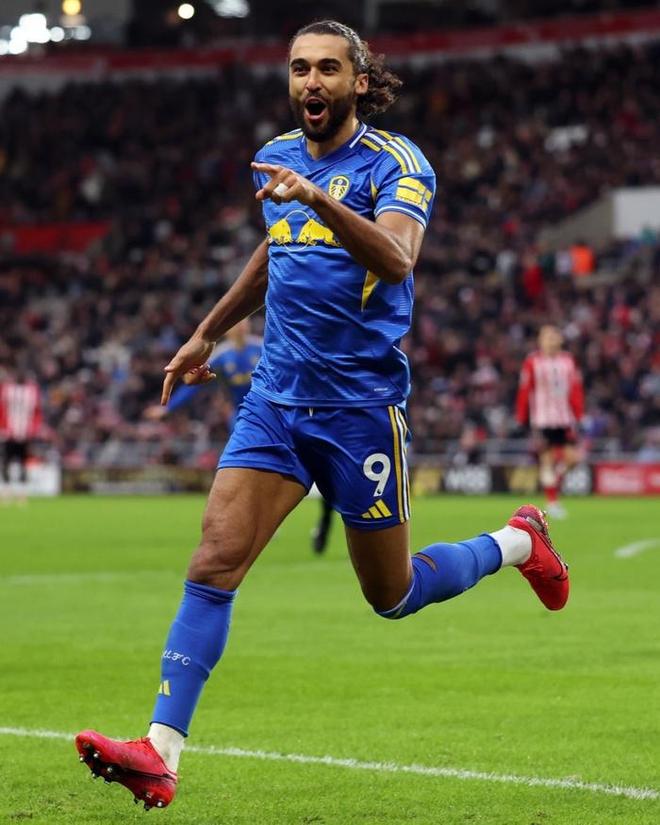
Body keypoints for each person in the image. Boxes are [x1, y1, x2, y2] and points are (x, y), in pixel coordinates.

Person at [75, 21, 569, 811]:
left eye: (329, 69)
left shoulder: (397, 163)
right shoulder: (275, 156)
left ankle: (516, 542)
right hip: (275, 400)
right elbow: (275, 249)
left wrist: (318, 197)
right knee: (213, 562)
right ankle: (160, 751)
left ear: (359, 82)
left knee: (392, 593)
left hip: (360, 410)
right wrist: (208, 330)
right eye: (300, 68)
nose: (312, 81)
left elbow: (398, 257)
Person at [157, 318, 335, 553]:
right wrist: (168, 408)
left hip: (277, 414)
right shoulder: (222, 355)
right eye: (236, 324)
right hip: (243, 418)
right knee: (248, 471)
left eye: (244, 323)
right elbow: (194, 384)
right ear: (228, 330)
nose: (241, 327)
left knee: (314, 465)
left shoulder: (261, 347)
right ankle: (251, 519)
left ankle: (321, 517)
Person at [515, 324, 585, 518]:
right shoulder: (532, 361)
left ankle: (554, 484)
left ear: (561, 339)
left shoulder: (568, 361)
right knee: (547, 460)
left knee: (573, 459)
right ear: (540, 341)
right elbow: (525, 389)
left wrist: (578, 414)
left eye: (554, 336)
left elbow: (575, 388)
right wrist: (522, 416)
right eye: (547, 337)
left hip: (565, 418)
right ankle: (552, 502)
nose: (551, 340)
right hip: (542, 419)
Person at [0, 368, 42, 499]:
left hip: (25, 435)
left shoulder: (32, 390)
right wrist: (3, 428)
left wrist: (33, 430)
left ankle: (22, 492)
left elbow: (37, 412)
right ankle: (6, 490)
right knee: (7, 462)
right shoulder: (7, 389)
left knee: (23, 463)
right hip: (9, 434)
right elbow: (2, 410)